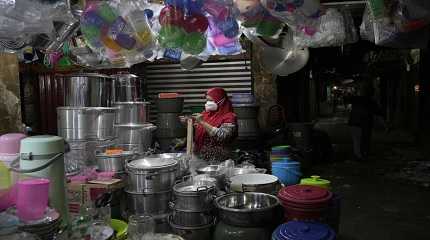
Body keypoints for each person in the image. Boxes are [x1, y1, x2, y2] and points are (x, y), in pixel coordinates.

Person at [193, 87, 238, 163]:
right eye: (207, 100)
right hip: (202, 159)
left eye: (211, 100)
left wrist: (202, 122)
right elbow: (199, 130)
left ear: (221, 101)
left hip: (220, 161)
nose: (207, 103)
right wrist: (189, 123)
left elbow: (223, 136)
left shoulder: (229, 117)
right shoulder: (206, 114)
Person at [345, 82, 384, 161]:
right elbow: (378, 112)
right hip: (364, 123)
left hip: (355, 122)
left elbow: (347, 99)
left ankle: (359, 155)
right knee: (364, 140)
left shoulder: (357, 99)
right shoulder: (370, 101)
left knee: (357, 141)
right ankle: (362, 155)